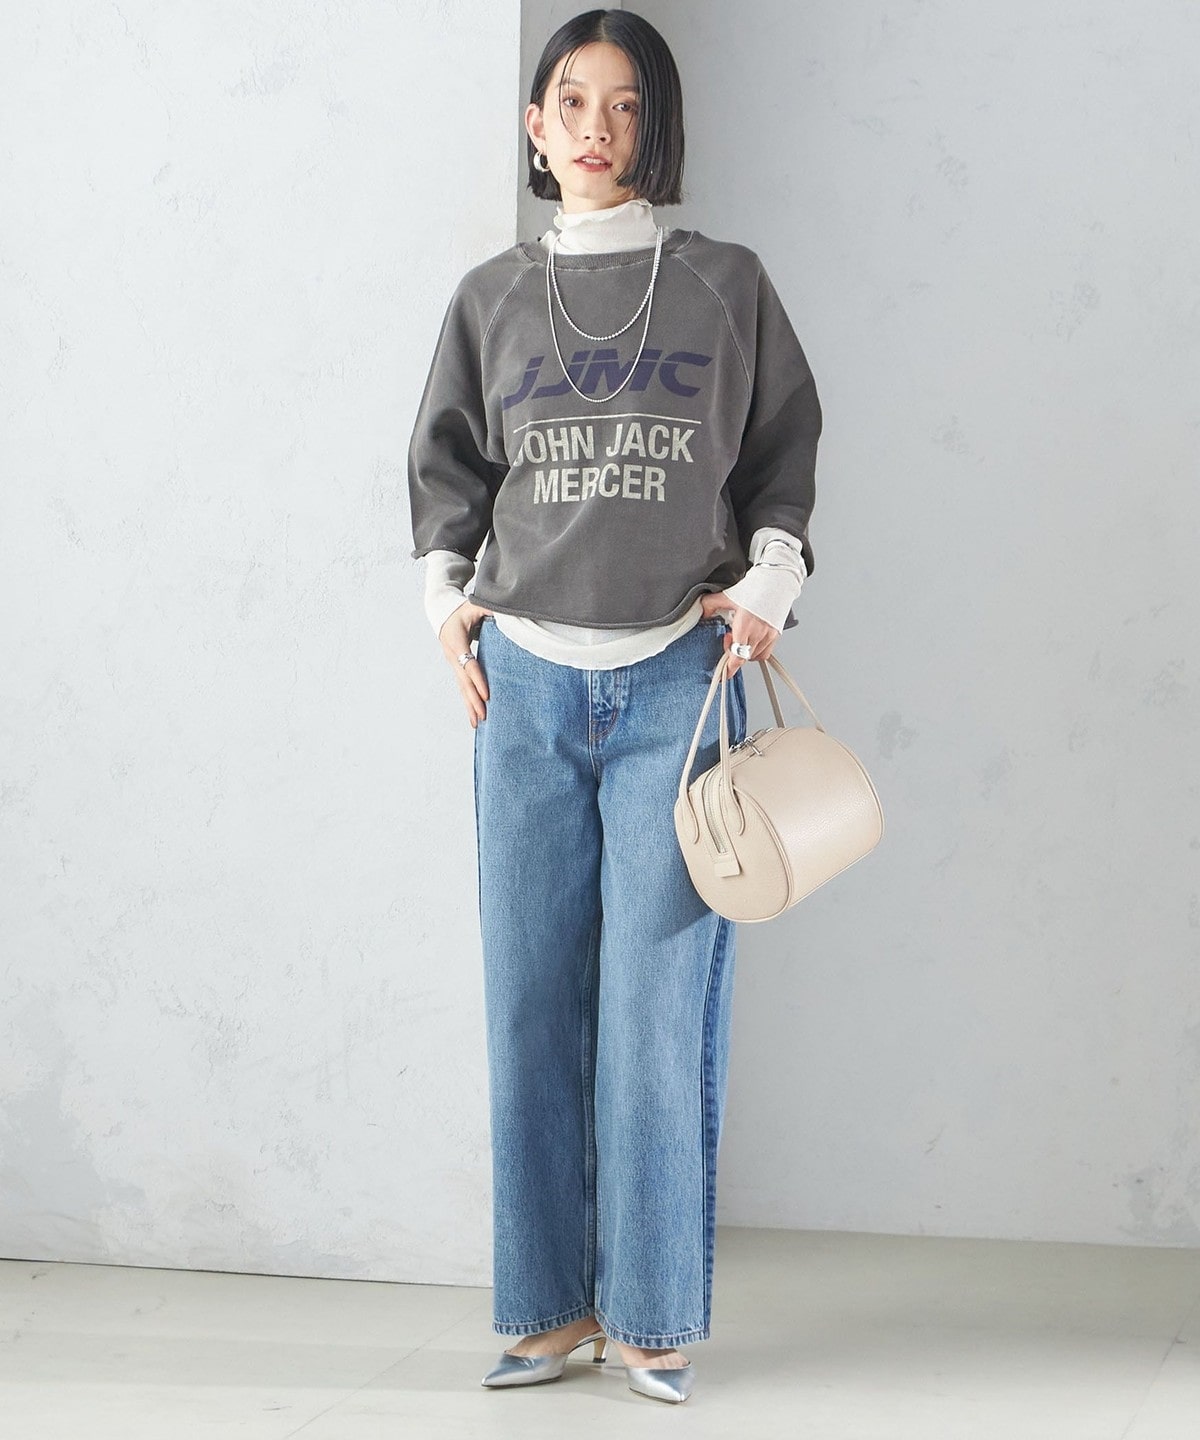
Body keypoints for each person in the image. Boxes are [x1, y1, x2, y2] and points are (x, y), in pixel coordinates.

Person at [406, 8, 821, 1405]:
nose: (597, 126)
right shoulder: (490, 298)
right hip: (522, 687)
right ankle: (545, 1309)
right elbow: (447, 470)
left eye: (626, 104)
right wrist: (444, 602)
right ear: (536, 127)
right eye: (572, 101)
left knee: (655, 1013)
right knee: (529, 1005)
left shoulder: (724, 285)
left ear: (656, 127)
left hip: (676, 691)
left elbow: (782, 452)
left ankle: (649, 1315)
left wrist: (771, 580)